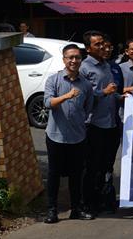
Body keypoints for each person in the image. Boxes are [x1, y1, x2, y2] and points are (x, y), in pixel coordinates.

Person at [43, 43, 94, 224]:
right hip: (56, 136)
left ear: (81, 60)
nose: (74, 60)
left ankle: (76, 209)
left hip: (78, 137)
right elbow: (48, 103)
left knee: (76, 175)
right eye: (70, 57)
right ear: (64, 59)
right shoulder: (54, 80)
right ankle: (52, 210)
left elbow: (88, 109)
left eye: (77, 57)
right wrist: (66, 96)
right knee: (54, 174)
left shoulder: (86, 85)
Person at [79, 30, 121, 216]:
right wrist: (103, 92)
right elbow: (82, 97)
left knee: (107, 165)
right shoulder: (84, 68)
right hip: (94, 125)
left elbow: (111, 93)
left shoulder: (107, 65)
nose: (103, 46)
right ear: (88, 48)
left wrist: (121, 97)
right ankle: (88, 203)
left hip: (111, 123)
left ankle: (104, 200)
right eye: (97, 44)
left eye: (103, 43)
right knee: (92, 167)